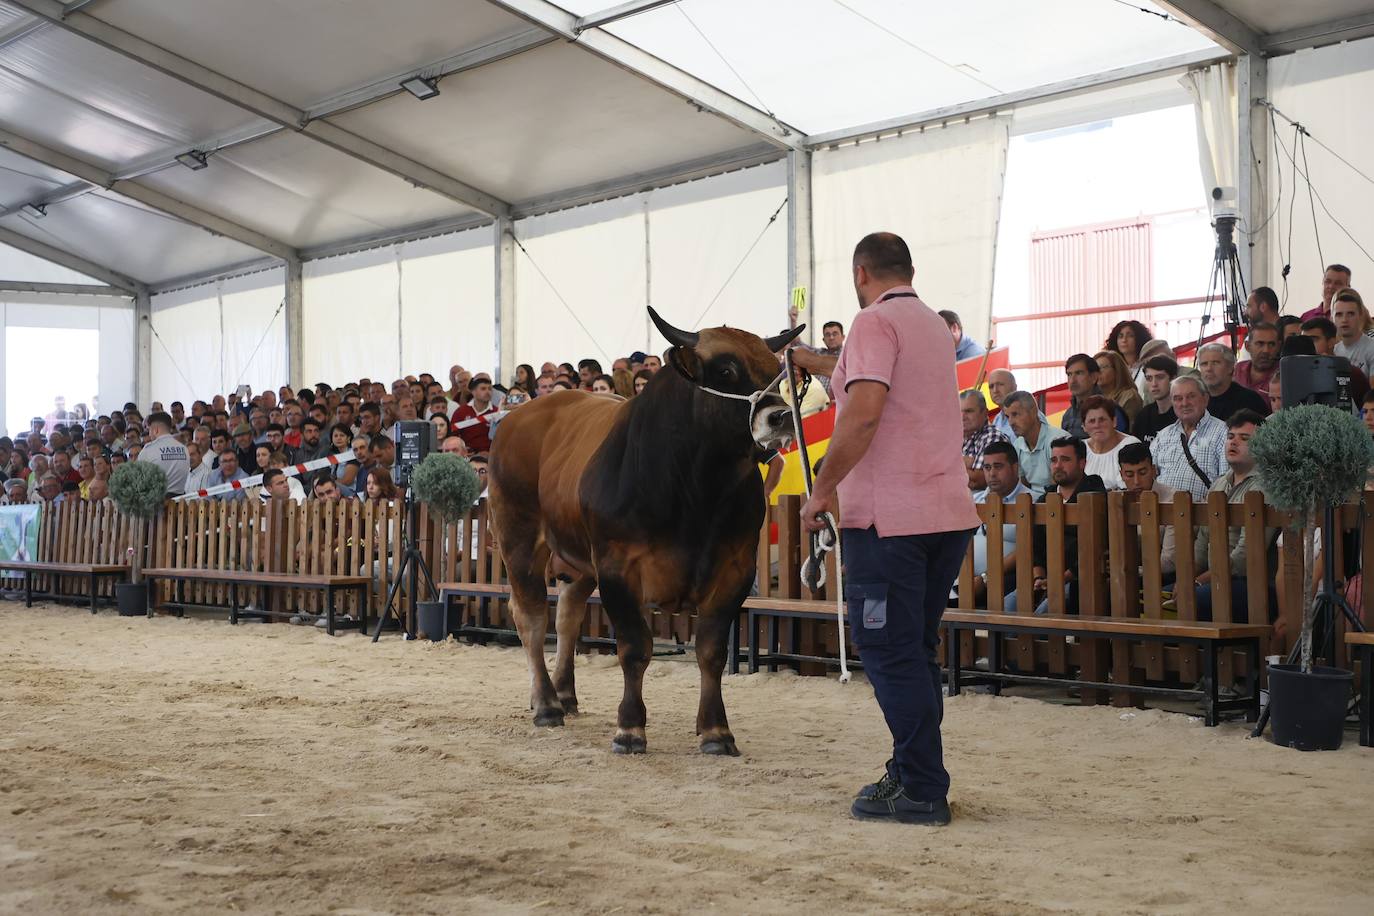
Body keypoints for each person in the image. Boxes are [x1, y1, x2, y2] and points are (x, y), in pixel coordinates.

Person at [799, 231, 978, 827]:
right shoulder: (930, 324)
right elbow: (873, 381)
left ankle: (922, 786)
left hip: (888, 519)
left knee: (886, 648)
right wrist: (814, 362)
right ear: (910, 270)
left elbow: (865, 409)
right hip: (944, 513)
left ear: (860, 273)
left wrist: (822, 488)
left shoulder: (871, 322)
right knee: (913, 648)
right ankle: (910, 769)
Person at [1192, 411, 1276, 623]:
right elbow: (1202, 540)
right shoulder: (1219, 483)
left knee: (1192, 600)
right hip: (1215, 578)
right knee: (1157, 596)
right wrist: (1187, 578)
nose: (1234, 442)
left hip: (1249, 583)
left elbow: (1246, 555)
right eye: (1230, 436)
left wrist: (1202, 580)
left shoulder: (1267, 486)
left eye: (1244, 438)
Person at [1025, 437, 1106, 615]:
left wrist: (1060, 579)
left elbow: (1093, 547)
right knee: (1008, 606)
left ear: (1082, 463)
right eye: (1054, 460)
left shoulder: (1096, 496)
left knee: (1041, 615)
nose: (1058, 465)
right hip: (1044, 580)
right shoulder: (1044, 500)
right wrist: (1039, 577)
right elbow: (1034, 545)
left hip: (1080, 582)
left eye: (1065, 459)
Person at [1149, 376, 1227, 501]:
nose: (1184, 403)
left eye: (1191, 396)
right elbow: (1149, 477)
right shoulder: (1162, 436)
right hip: (1160, 510)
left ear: (1205, 399)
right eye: (1178, 398)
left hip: (1204, 510)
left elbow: (1226, 481)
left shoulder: (1223, 432)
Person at [969, 441, 1031, 592]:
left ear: (1015, 468)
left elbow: (1030, 549)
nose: (992, 473)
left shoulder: (1033, 501)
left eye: (998, 466)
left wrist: (985, 578)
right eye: (987, 467)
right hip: (963, 577)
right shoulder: (974, 501)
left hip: (1006, 582)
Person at [1118, 442, 1177, 580]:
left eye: (1142, 473)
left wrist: (1128, 571)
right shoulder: (1117, 501)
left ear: (1153, 470)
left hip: (1163, 578)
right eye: (1129, 474)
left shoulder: (1172, 500)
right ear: (1121, 475)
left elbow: (1170, 561)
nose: (1137, 481)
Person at [1002, 390, 1065, 497]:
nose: (1011, 422)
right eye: (1008, 417)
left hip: (1058, 501)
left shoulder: (1057, 440)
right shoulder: (1017, 445)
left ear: (1033, 412)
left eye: (1015, 414)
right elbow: (1022, 486)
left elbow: (1060, 487)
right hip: (1032, 502)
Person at [1196, 343, 1269, 421]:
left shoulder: (1250, 400)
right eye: (1204, 364)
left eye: (1215, 363)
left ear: (1230, 367)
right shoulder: (1195, 400)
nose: (1209, 369)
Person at [1060, 353, 1126, 439]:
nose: (1072, 380)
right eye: (1069, 374)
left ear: (1094, 377)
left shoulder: (1111, 410)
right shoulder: (1068, 415)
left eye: (1079, 373)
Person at [1081, 395, 1139, 490]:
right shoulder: (1080, 448)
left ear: (1114, 421)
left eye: (1102, 420)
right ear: (1084, 426)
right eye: (1092, 421)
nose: (1097, 425)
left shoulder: (1131, 445)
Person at [959, 389, 1007, 490]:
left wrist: (953, 462)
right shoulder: (959, 438)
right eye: (959, 412)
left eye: (969, 411)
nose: (962, 417)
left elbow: (977, 482)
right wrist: (964, 463)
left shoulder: (993, 437)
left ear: (985, 413)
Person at [138, 411, 190, 497]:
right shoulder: (184, 449)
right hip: (181, 500)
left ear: (156, 430)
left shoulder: (148, 450)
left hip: (156, 501)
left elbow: (140, 480)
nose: (149, 434)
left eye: (149, 430)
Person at [1131, 355, 1179, 447]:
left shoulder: (1182, 415)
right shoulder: (1143, 415)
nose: (1154, 384)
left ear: (1173, 379)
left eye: (1160, 377)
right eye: (1149, 378)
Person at [1093, 349, 1144, 422]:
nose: (1098, 372)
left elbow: (1128, 426)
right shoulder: (1094, 397)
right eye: (1095, 368)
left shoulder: (1129, 396)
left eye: (1103, 367)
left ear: (1117, 370)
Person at [1332, 288, 1374, 375]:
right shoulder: (1334, 350)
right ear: (1333, 318)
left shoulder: (1371, 349)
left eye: (1350, 314)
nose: (1344, 320)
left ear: (1361, 316)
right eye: (1339, 315)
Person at [1234, 322, 1280, 399]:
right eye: (1260, 344)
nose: (1266, 350)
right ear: (1247, 346)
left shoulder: (1284, 375)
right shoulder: (1237, 370)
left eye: (1271, 344)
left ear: (1278, 347)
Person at [452, 376, 497, 453]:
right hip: (467, 455)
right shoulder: (460, 412)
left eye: (490, 389)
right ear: (473, 391)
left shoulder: (497, 412)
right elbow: (453, 436)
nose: (487, 392)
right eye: (483, 389)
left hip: (491, 455)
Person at [986, 368, 1017, 437]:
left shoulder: (1027, 415)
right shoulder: (997, 419)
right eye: (991, 386)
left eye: (1000, 384)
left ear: (1014, 387)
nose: (995, 390)